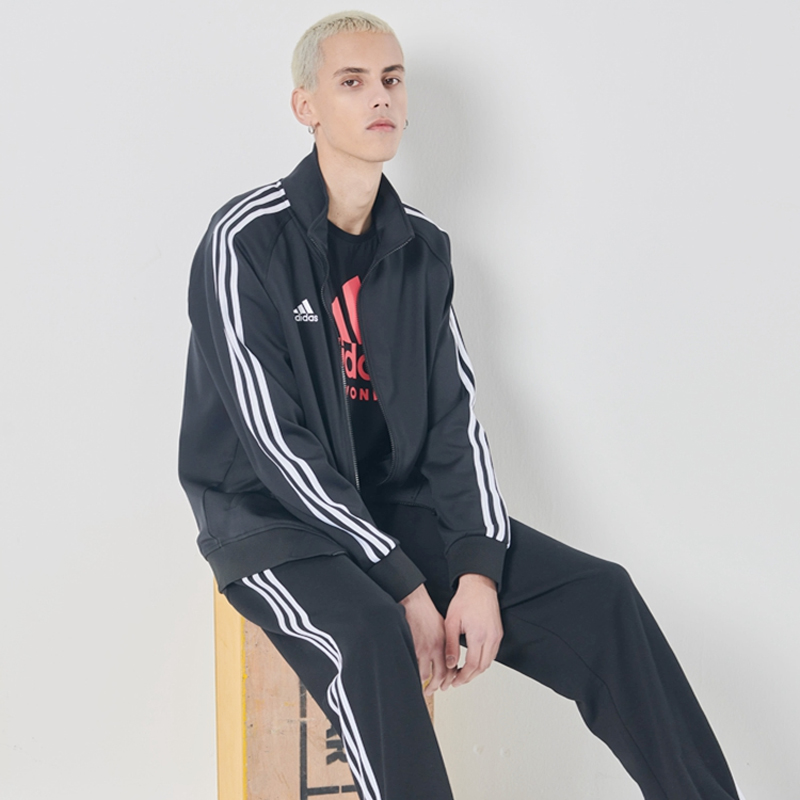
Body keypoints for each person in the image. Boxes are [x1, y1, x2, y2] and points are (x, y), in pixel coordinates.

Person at [178, 11, 742, 800]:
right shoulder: (246, 239)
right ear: (306, 106)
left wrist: (475, 568)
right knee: (373, 633)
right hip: (270, 522)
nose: (380, 97)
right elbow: (274, 443)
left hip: (390, 508)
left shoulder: (421, 249)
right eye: (352, 82)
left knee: (600, 595)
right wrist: (404, 583)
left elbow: (454, 422)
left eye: (392, 79)